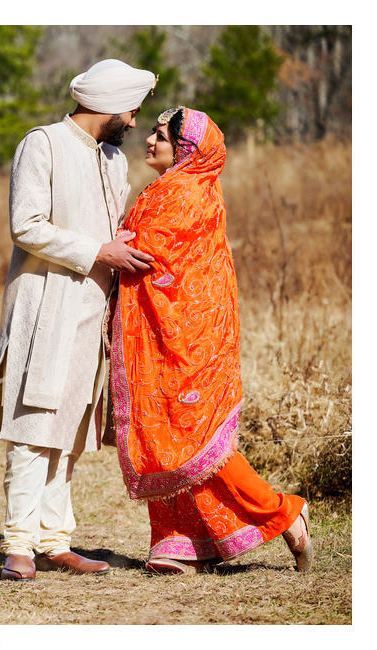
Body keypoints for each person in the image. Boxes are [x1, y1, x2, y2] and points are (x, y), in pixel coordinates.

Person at [0, 59, 158, 581]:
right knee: (35, 423)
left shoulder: (114, 158)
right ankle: (18, 544)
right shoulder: (43, 143)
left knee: (72, 428)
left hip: (94, 310)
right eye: (131, 110)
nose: (135, 122)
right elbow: (26, 226)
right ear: (107, 103)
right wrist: (99, 250)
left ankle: (55, 540)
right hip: (46, 304)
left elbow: (113, 232)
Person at [108, 106, 313, 574]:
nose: (151, 141)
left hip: (186, 341)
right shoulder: (176, 187)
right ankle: (180, 540)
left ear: (186, 148)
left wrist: (105, 241)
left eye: (160, 135)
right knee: (165, 433)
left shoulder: (184, 193)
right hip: (164, 336)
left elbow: (144, 250)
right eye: (156, 132)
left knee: (193, 442)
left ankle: (283, 511)